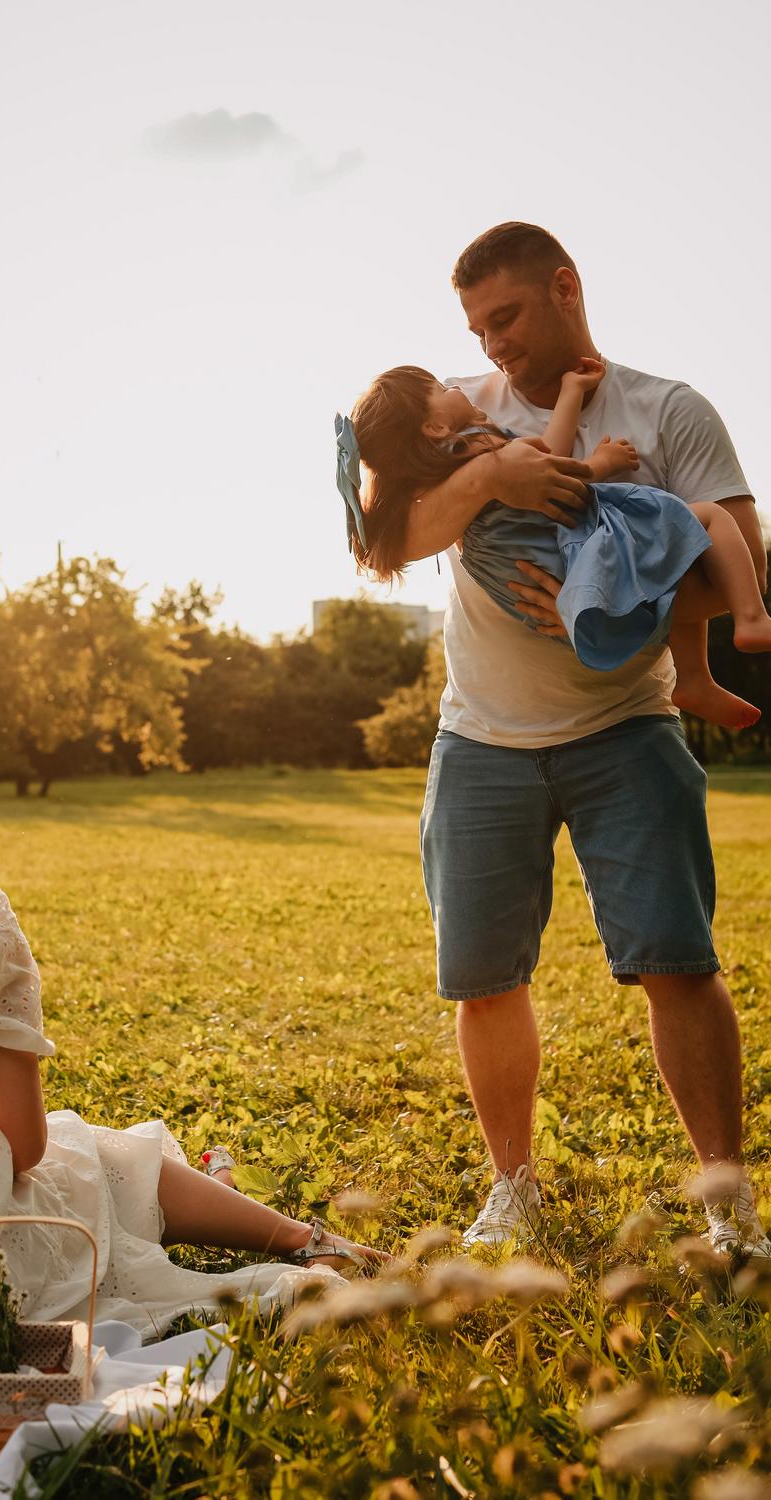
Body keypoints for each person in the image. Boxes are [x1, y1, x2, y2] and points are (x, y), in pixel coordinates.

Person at [343, 222, 769, 1255]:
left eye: (507, 318)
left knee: (677, 960)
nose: (490, 347)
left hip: (626, 727)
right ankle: (512, 1188)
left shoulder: (668, 409)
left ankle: (728, 1209)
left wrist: (607, 578)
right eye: (474, 326)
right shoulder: (452, 417)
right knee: (484, 976)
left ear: (565, 288)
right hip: (480, 740)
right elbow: (379, 542)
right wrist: (492, 484)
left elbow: (737, 552)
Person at [0, 745, 384, 1337]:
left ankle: (242, 1214)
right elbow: (24, 1142)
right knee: (84, 1154)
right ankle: (312, 1244)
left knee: (83, 1171)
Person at [339, 356, 771, 726]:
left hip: (549, 592)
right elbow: (557, 466)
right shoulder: (487, 448)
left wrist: (568, 391)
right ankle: (752, 619)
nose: (450, 386)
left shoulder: (439, 484)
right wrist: (601, 458)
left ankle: (694, 682)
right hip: (578, 560)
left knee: (670, 563)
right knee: (703, 522)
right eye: (437, 387)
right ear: (434, 427)